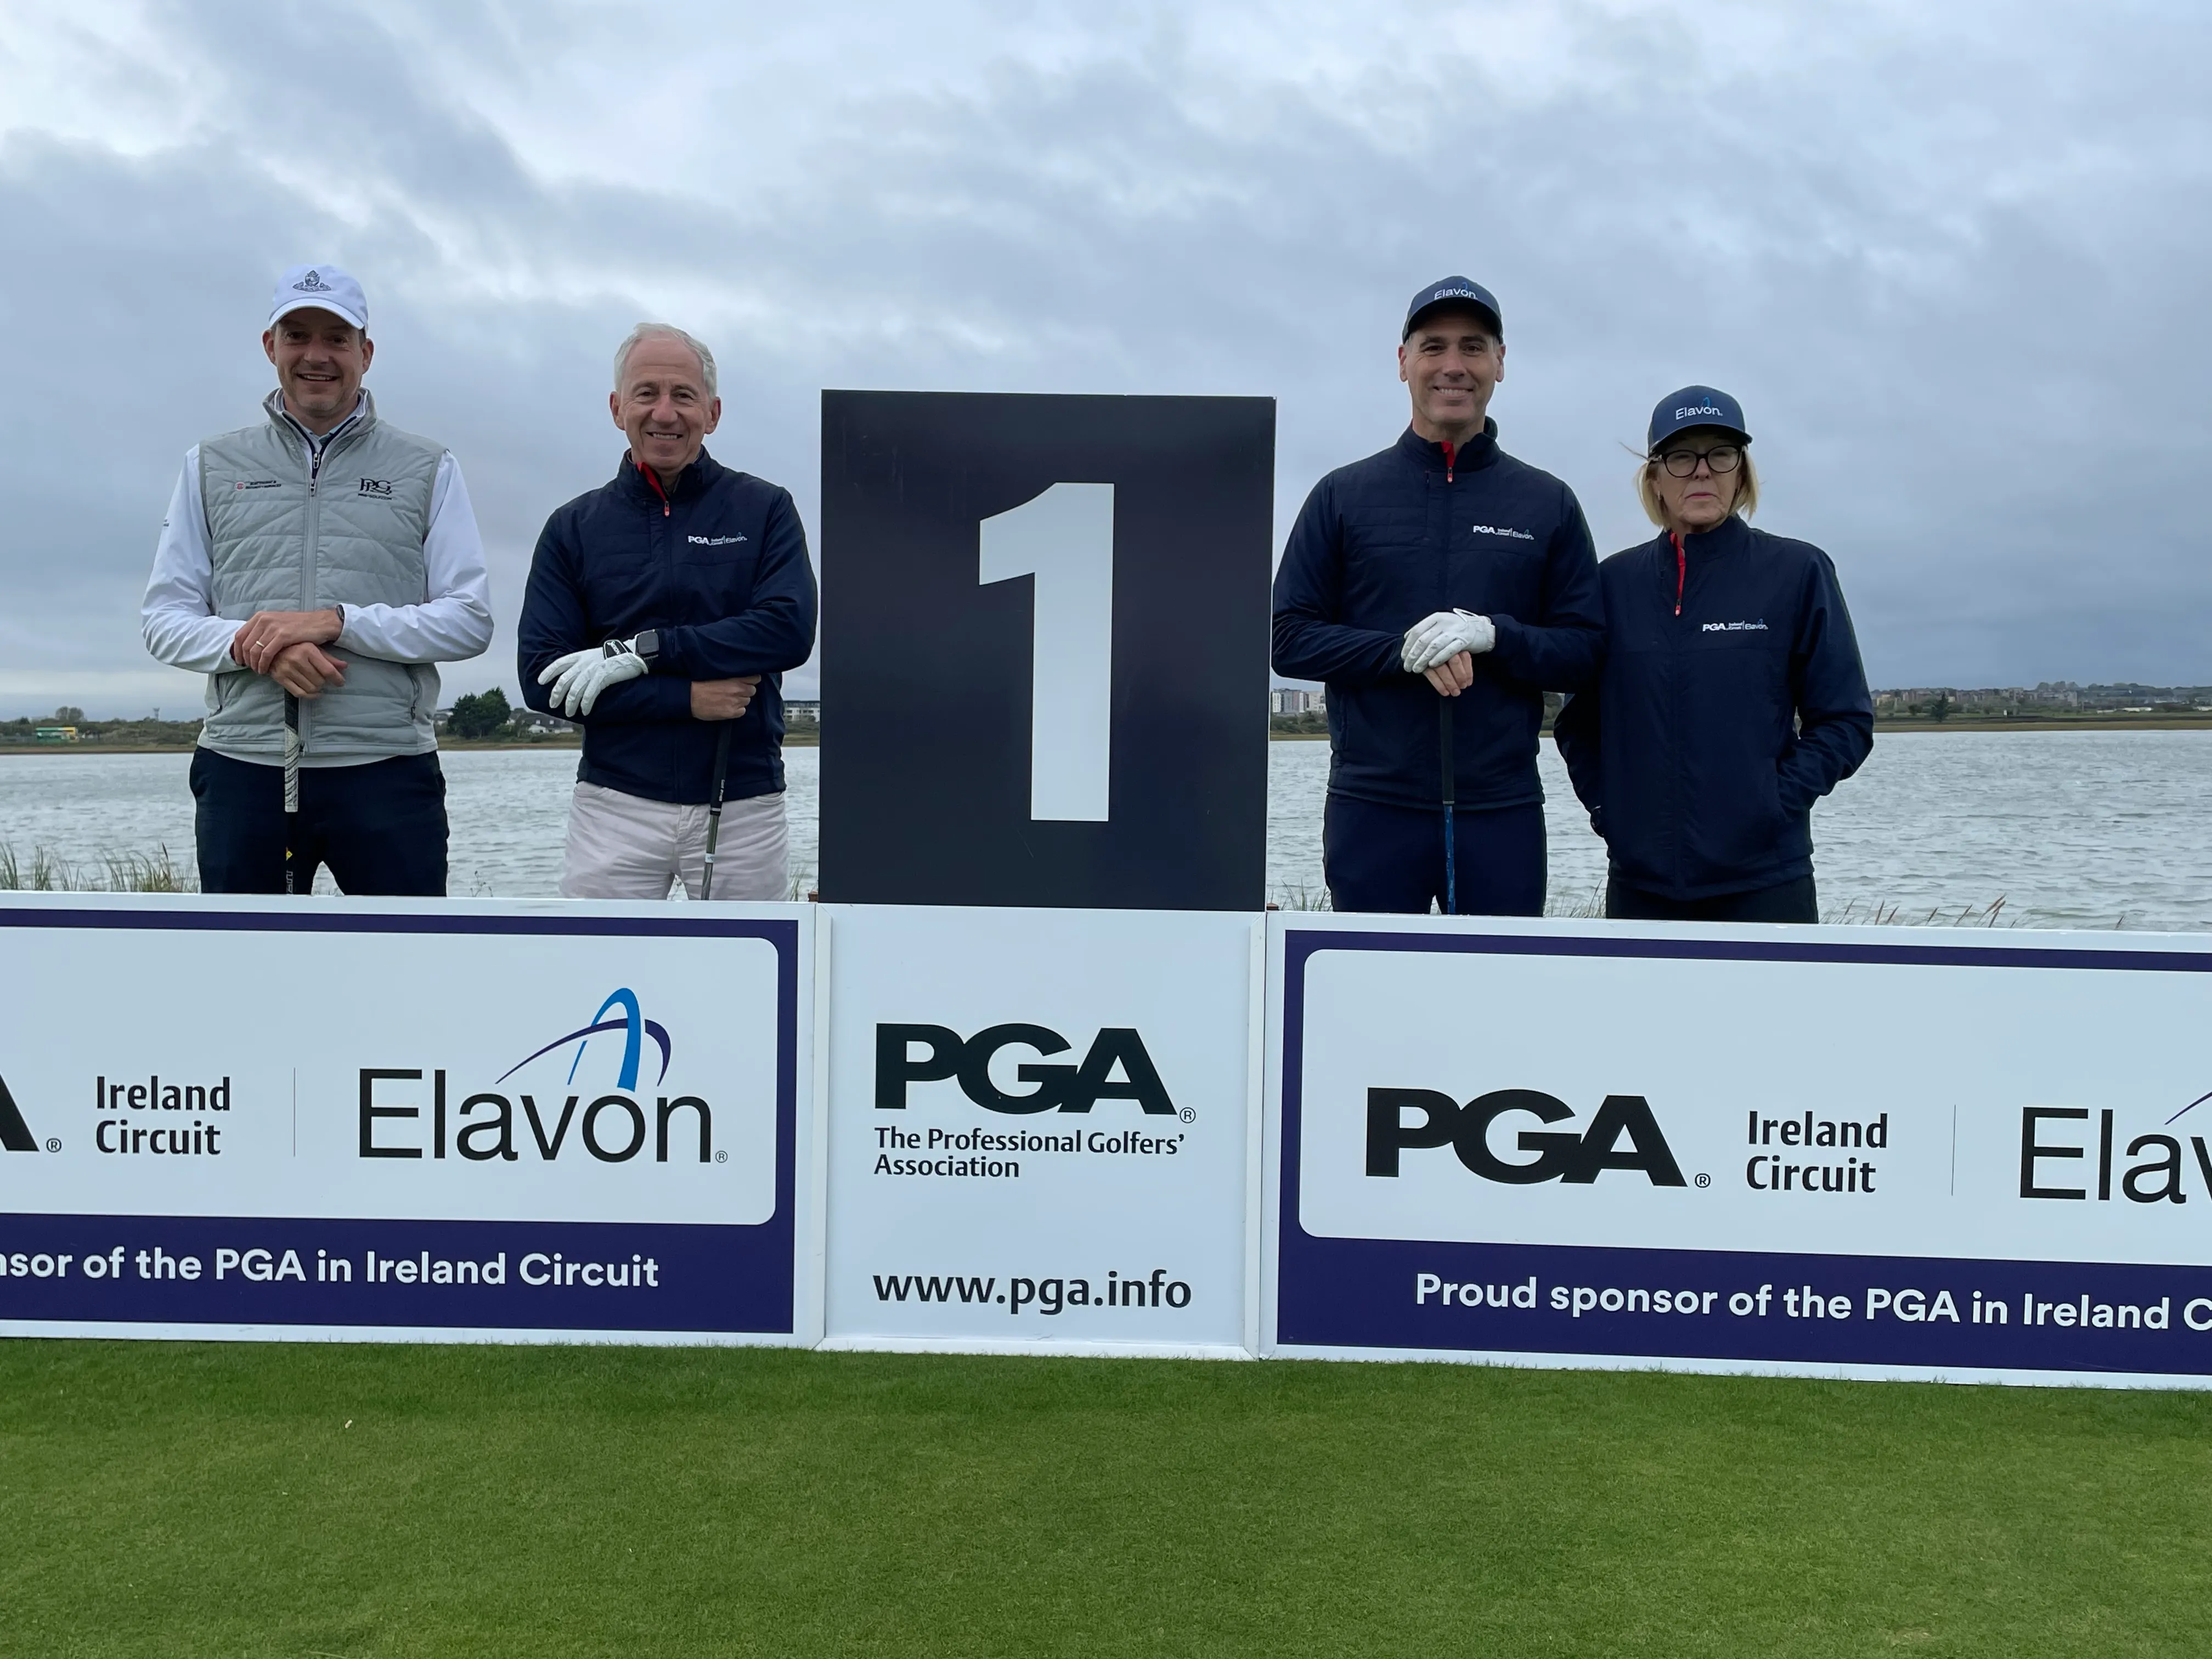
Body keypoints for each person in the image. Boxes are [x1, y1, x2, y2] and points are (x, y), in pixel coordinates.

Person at [140, 264, 493, 895]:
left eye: (336, 338)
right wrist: (261, 645)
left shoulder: (428, 467)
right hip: (243, 769)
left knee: (407, 956)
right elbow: (165, 622)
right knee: (247, 958)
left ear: (366, 352)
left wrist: (337, 623)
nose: (316, 355)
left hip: (388, 768)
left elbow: (468, 620)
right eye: (297, 335)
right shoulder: (211, 464)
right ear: (270, 346)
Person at [1271, 276, 1604, 915]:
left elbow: (1584, 652)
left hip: (1501, 809)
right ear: (1404, 362)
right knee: (1366, 978)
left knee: (1497, 981)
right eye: (1434, 347)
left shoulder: (1547, 503)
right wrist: (1402, 652)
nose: (1454, 365)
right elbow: (1288, 638)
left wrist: (1496, 636)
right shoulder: (1343, 496)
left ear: (1500, 363)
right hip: (1372, 806)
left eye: (1473, 347)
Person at [518, 324, 817, 901]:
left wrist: (644, 651)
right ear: (617, 408)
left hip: (743, 804)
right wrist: (685, 699)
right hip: (614, 805)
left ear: (712, 413)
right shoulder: (572, 528)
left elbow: (788, 630)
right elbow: (543, 678)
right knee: (600, 961)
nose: (664, 413)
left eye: (683, 395)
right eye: (646, 393)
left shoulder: (765, 508)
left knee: (746, 962)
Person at [1553, 386, 1872, 923]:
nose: (1702, 471)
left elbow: (1845, 721)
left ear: (1740, 471)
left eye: (1720, 454)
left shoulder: (1797, 572)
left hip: (1766, 881)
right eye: (1682, 457)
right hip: (1641, 885)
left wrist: (1771, 805)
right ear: (1655, 476)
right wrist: (1610, 812)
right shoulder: (1611, 584)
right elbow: (1578, 725)